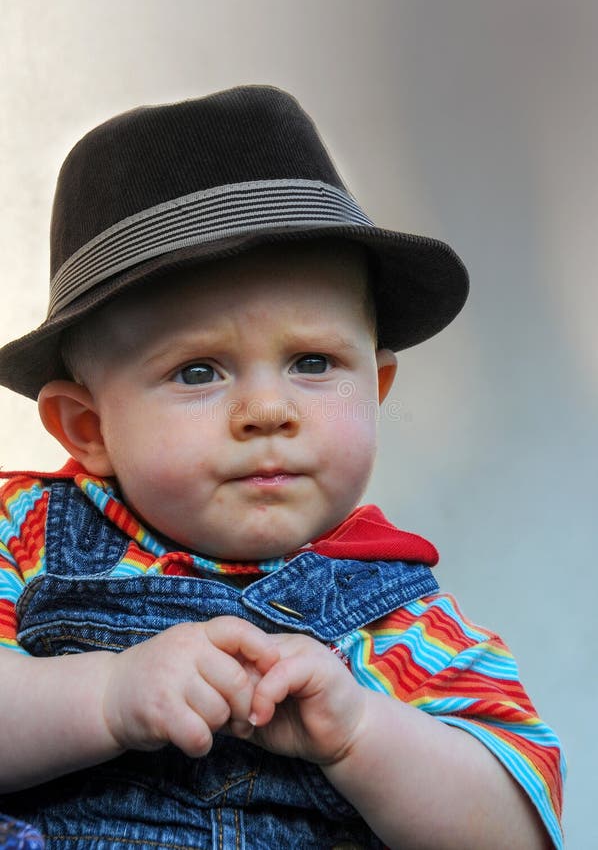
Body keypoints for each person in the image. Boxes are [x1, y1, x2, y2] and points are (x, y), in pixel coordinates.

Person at [0, 86, 564, 849]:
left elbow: (515, 832)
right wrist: (103, 697)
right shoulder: (27, 536)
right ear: (89, 427)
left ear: (376, 386)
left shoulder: (401, 622)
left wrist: (361, 733)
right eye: (198, 372)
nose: (268, 411)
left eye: (312, 362)